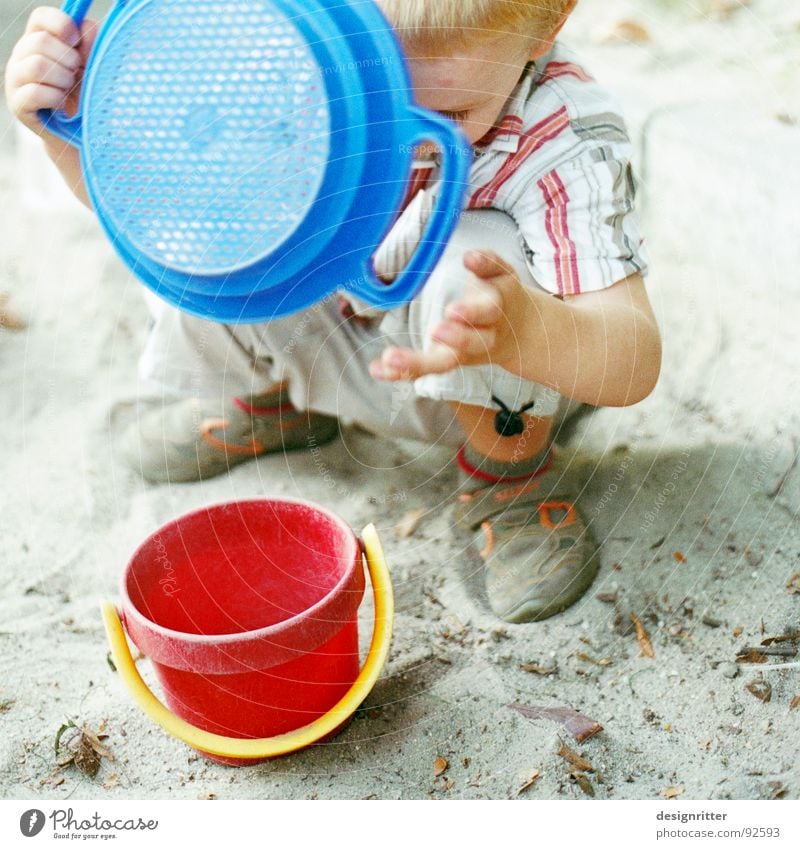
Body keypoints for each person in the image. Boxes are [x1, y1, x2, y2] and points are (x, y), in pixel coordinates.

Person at [4, 0, 661, 624]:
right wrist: (63, 131)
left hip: (473, 372)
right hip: (335, 325)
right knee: (209, 218)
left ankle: (509, 481)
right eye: (370, 88)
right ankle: (276, 403)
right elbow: (146, 213)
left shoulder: (566, 141)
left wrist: (525, 329)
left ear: (545, 26)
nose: (397, 138)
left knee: (471, 255)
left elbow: (631, 360)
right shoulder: (293, 46)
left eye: (449, 114)